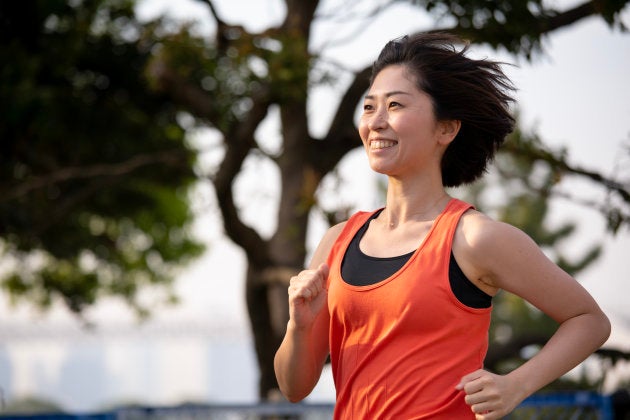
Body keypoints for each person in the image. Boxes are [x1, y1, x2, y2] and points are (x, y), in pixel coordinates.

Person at [273, 32, 611, 419]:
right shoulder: (338, 241)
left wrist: (516, 384)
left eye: (395, 105)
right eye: (369, 107)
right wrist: (299, 326)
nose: (376, 122)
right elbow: (294, 387)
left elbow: (589, 321)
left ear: (446, 129)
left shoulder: (473, 238)